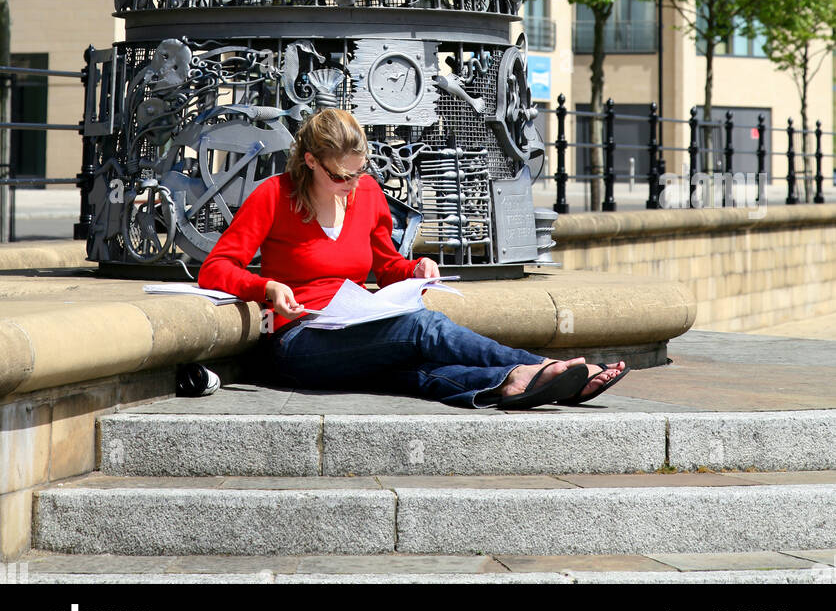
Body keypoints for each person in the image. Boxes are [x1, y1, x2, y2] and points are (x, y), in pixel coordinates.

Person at [198, 109, 629, 409]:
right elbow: (214, 268)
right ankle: (545, 367)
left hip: (355, 327)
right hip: (298, 341)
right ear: (310, 161)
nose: (351, 184)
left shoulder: (367, 195)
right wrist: (267, 288)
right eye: (338, 176)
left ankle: (510, 383)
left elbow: (386, 267)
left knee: (412, 370)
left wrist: (413, 269)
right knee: (422, 326)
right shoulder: (274, 195)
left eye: (358, 172)